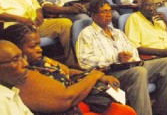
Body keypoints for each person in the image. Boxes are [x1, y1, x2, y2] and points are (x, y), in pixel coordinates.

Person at [0, 25, 136, 115]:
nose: (39, 49)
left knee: (125, 111)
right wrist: (93, 76)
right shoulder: (23, 76)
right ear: (16, 47)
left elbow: (68, 71)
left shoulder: (41, 60)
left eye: (39, 44)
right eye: (33, 46)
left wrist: (100, 76)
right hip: (72, 107)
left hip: (82, 102)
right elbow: (67, 99)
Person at [76, 0, 167, 115]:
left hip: (130, 66)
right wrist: (116, 57)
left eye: (110, 11)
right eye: (104, 12)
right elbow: (84, 61)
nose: (109, 15)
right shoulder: (87, 34)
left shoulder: (117, 32)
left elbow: (133, 50)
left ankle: (162, 111)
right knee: (139, 72)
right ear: (93, 15)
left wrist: (130, 57)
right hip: (110, 73)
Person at [0, 0, 74, 65]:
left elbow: (36, 4)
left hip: (35, 24)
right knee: (26, 35)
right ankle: (30, 67)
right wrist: (19, 19)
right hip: (15, 28)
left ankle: (70, 61)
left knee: (65, 23)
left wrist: (39, 14)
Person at [0, 40, 33, 115]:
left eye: (22, 57)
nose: (25, 63)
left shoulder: (10, 91)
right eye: (15, 60)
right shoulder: (1, 102)